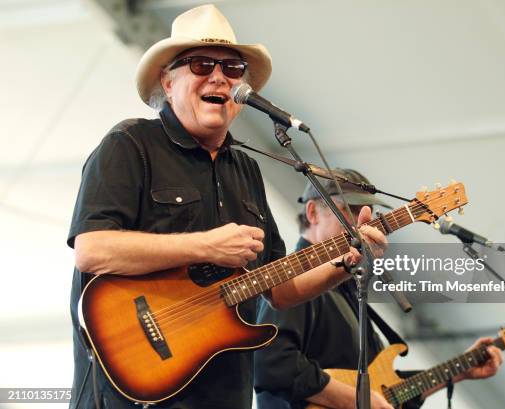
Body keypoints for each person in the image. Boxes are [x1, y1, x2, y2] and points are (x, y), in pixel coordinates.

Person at [66, 6, 386, 409]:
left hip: (225, 394)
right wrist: (206, 247)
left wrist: (344, 259)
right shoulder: (130, 144)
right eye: (201, 64)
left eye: (233, 68)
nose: (219, 77)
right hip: (134, 395)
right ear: (168, 81)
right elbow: (92, 250)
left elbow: (280, 289)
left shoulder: (246, 169)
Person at [254, 169, 503, 409]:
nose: (361, 222)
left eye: (367, 212)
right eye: (347, 211)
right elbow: (272, 363)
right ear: (312, 212)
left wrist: (459, 372)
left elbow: (383, 394)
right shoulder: (293, 282)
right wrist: (354, 400)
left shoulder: (349, 285)